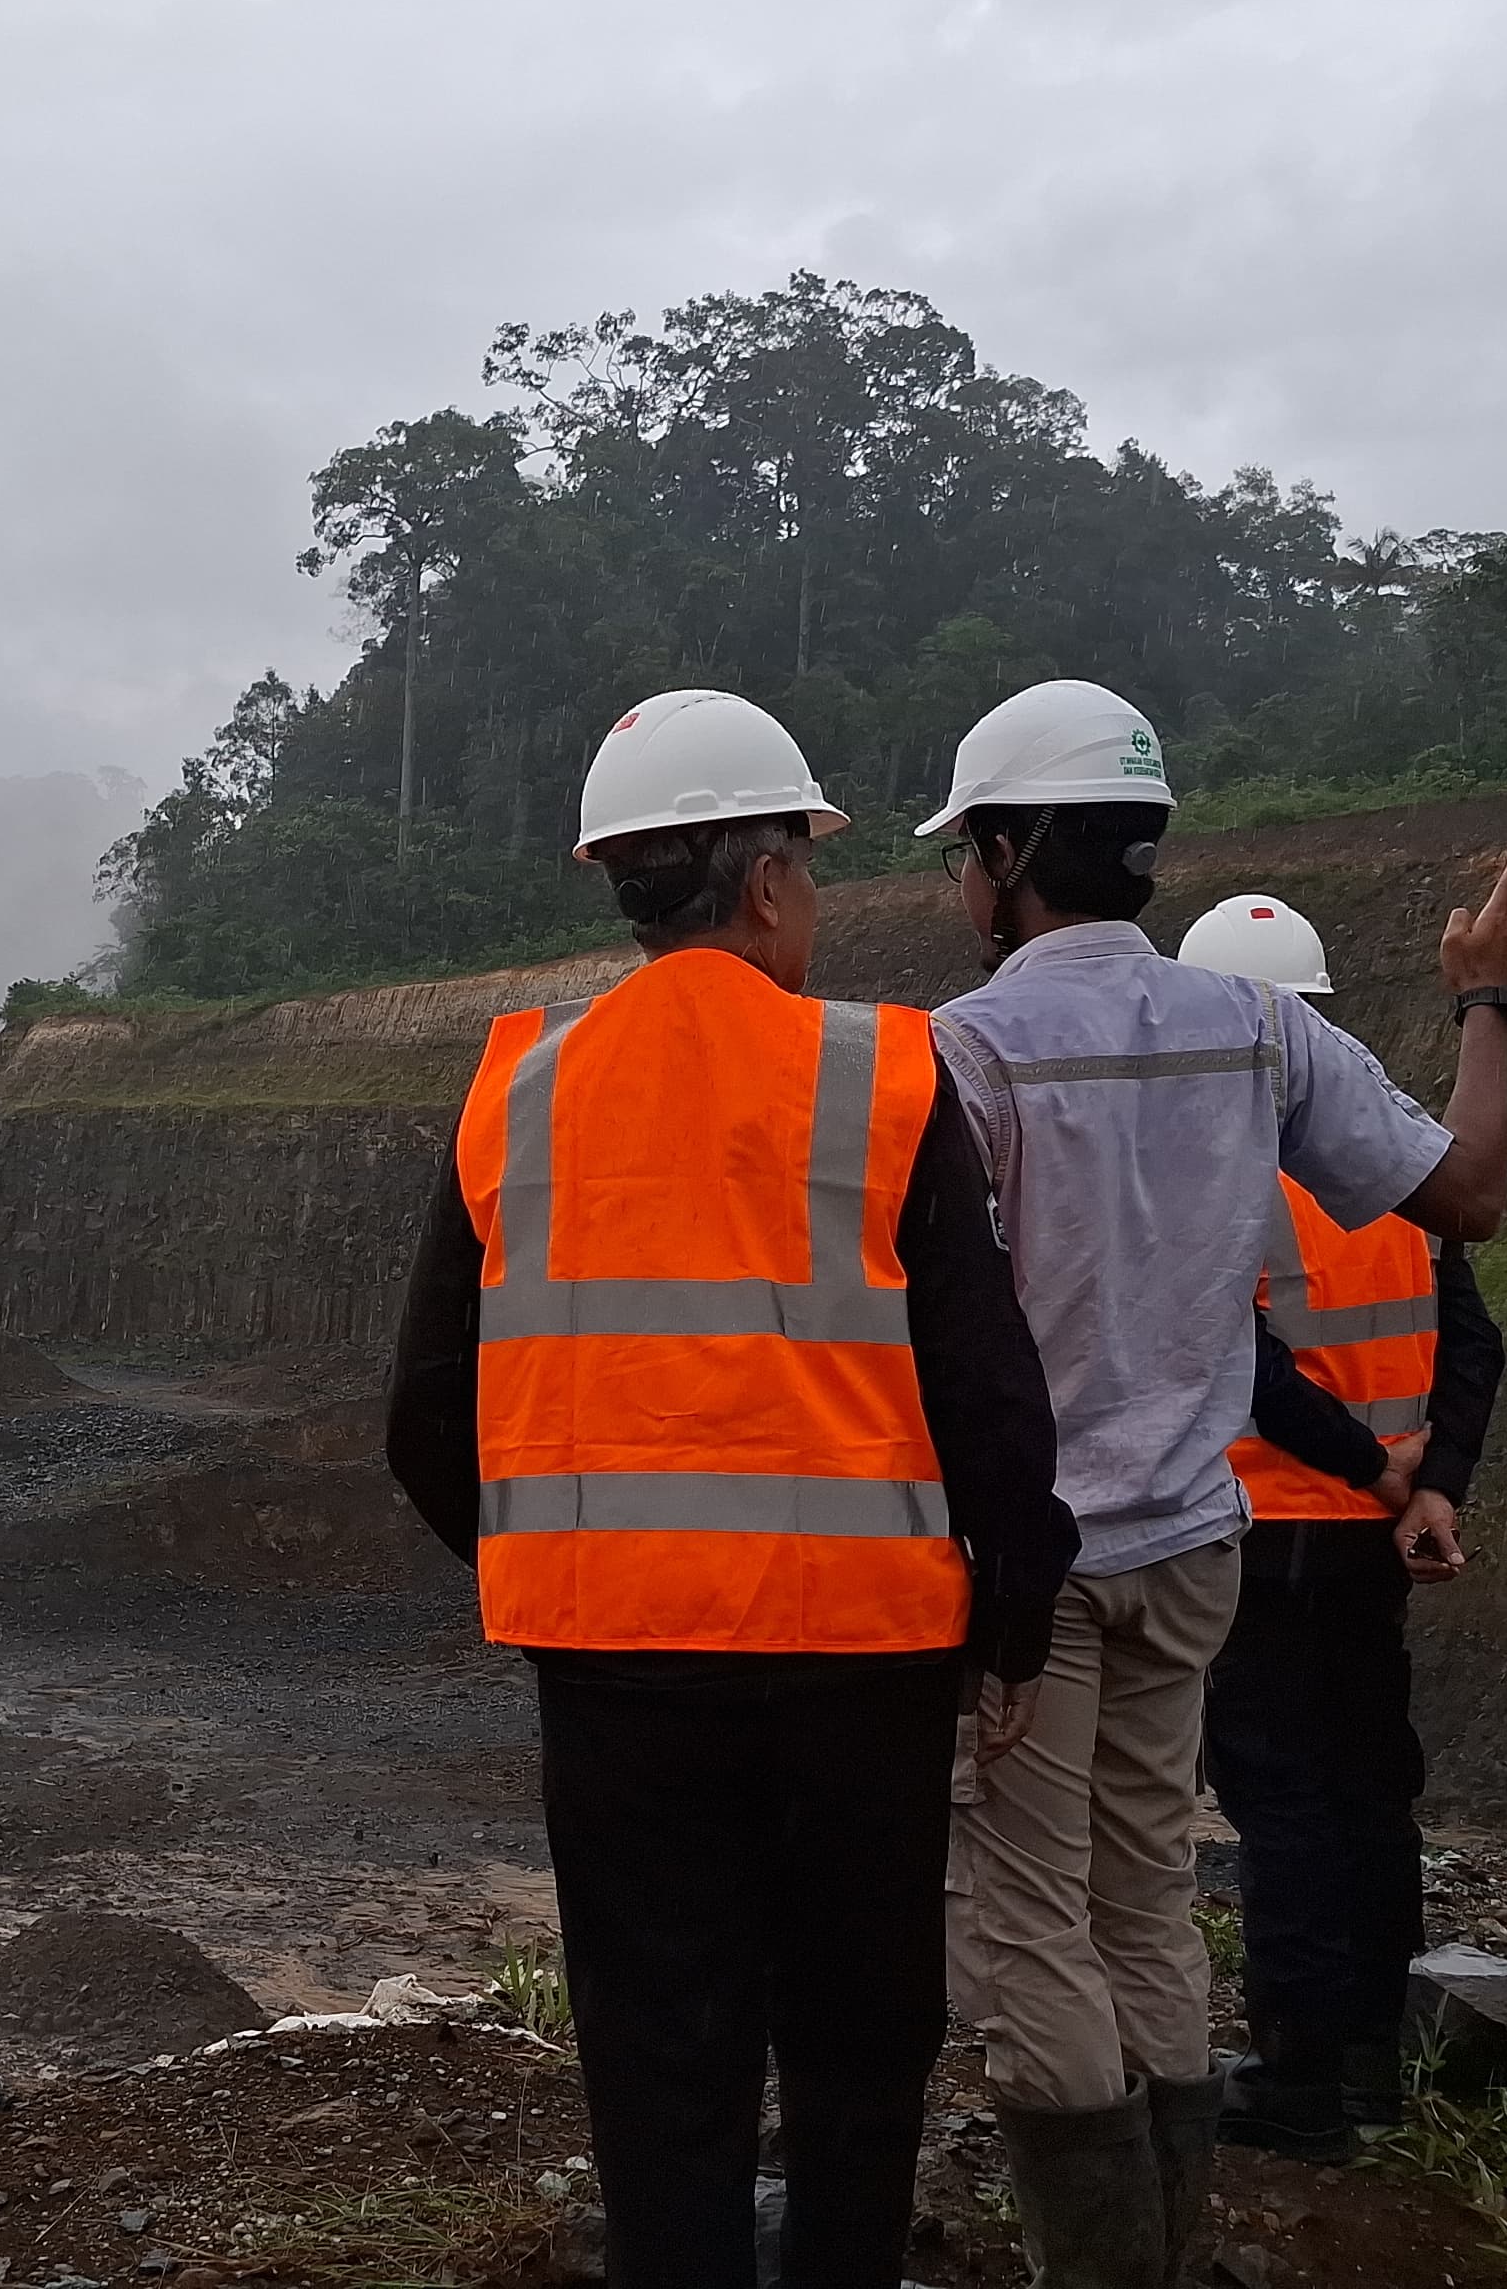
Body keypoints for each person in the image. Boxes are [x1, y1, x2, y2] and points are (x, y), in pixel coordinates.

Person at [382, 689, 1080, 2289]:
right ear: (769, 883)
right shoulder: (884, 1075)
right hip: (862, 1664)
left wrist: (554, 1570)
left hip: (616, 1667)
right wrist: (1014, 1617)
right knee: (857, 2032)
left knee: (657, 2042)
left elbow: (430, 1412)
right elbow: (987, 1382)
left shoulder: (523, 1084)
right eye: (814, 875)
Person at [912, 681, 1507, 2289]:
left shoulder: (960, 1056)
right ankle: (1177, 2251)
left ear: (1002, 853)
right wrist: (1488, 1003)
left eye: (964, 855)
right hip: (1199, 1545)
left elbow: (927, 1327)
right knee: (1144, 1890)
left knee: (1030, 1917)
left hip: (1032, 1564)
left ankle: (1106, 2268)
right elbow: (1466, 1193)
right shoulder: (1261, 1028)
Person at [1169, 892, 1507, 2166]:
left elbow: (1241, 1362)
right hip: (1374, 1540)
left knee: (1285, 1803)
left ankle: (1301, 2075)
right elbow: (1472, 1341)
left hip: (1265, 1529)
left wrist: (1376, 1470)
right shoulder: (1396, 1160)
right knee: (1371, 1786)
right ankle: (1373, 2053)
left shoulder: (1226, 1172)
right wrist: (1434, 1487)